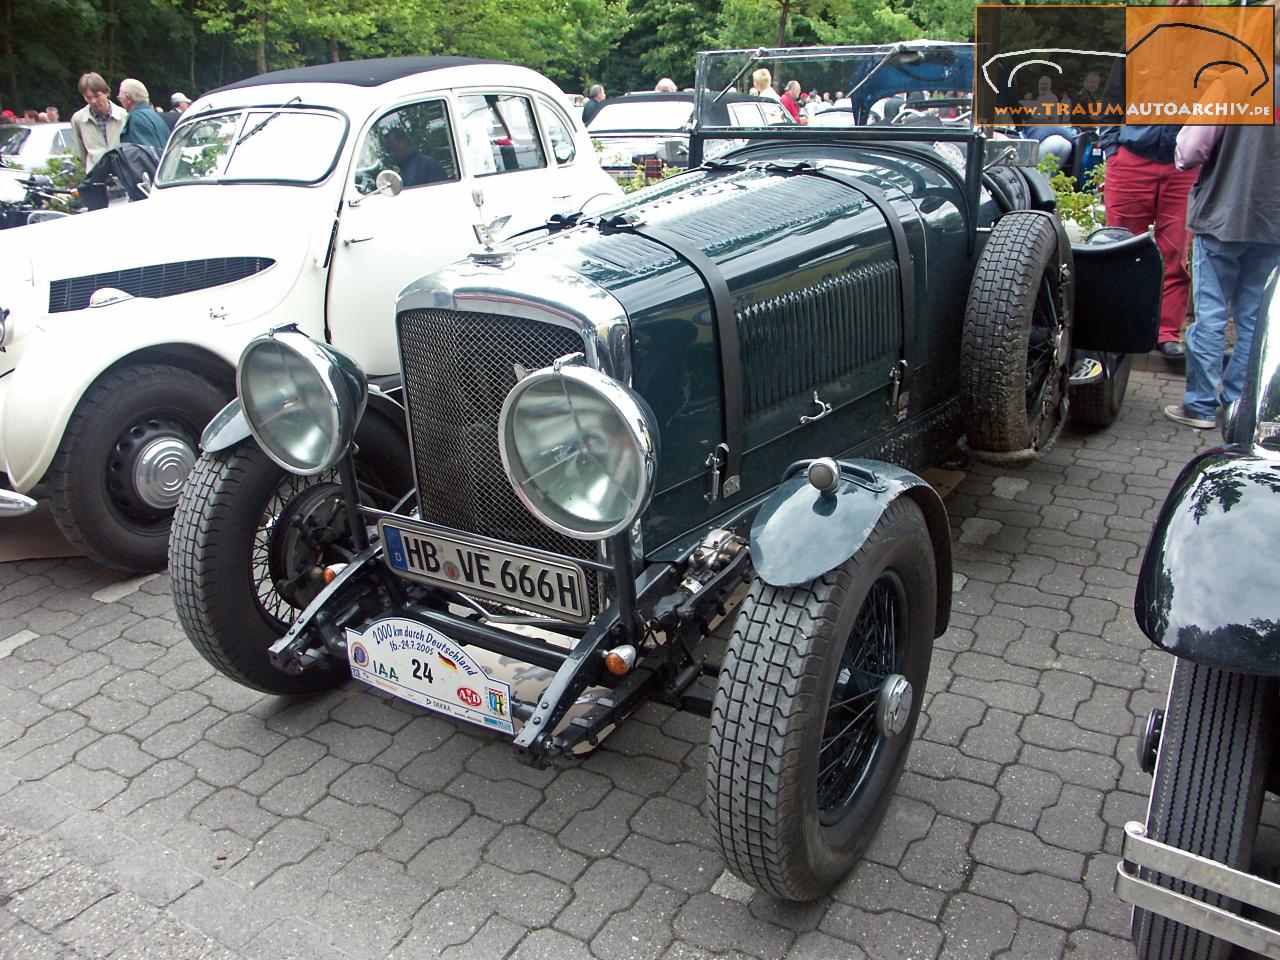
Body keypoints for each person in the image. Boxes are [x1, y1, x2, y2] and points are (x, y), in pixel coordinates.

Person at [1163, 29, 1280, 428]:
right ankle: (1237, 406)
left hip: (1222, 214)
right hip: (1274, 222)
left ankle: (1199, 406)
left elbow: (1191, 150)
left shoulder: (1234, 82)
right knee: (1252, 319)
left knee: (1211, 315)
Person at [69, 72, 126, 169]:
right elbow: (81, 153)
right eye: (88, 97)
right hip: (95, 176)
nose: (93, 101)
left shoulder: (124, 116)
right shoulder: (78, 119)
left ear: (107, 92)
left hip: (122, 174)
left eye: (96, 96)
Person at [117, 78, 169, 152]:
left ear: (128, 99)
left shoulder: (136, 119)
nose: (121, 102)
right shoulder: (156, 116)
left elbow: (142, 157)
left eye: (120, 98)